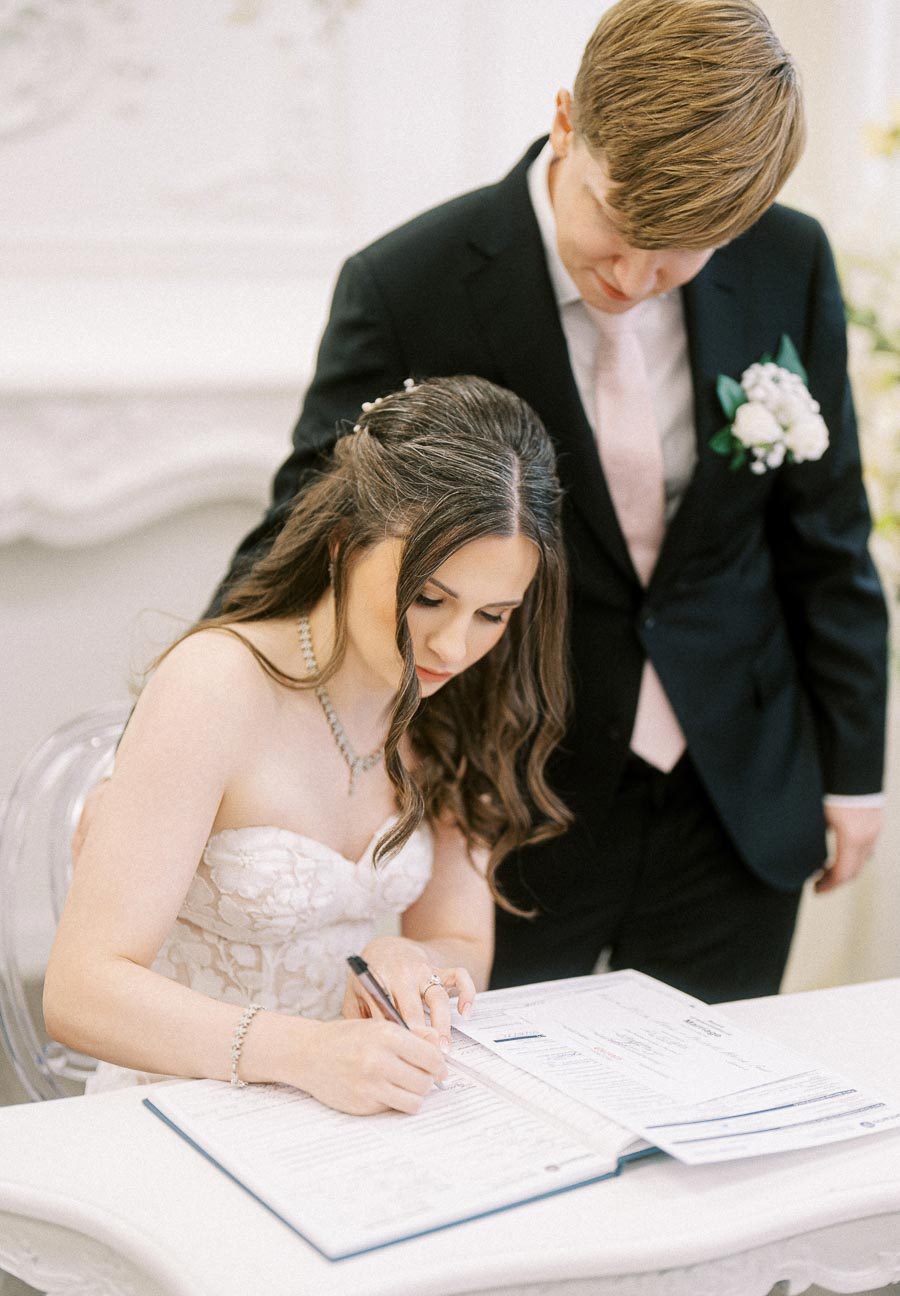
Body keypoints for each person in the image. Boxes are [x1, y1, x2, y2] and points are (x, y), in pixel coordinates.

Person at [213, 0, 888, 1004]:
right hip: (512, 798)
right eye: (619, 225)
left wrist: (854, 769)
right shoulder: (409, 285)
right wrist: (181, 729)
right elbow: (304, 528)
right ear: (568, 121)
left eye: (683, 252)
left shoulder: (788, 259)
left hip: (738, 792)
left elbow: (826, 531)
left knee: (721, 1087)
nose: (637, 277)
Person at [44, 375, 571, 1114]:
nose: (454, 647)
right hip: (182, 1103)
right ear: (343, 544)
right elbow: (80, 991)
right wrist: (303, 1053)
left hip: (341, 1105)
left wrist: (413, 958)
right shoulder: (215, 685)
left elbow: (461, 938)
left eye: (494, 614)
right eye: (428, 598)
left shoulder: (462, 708)